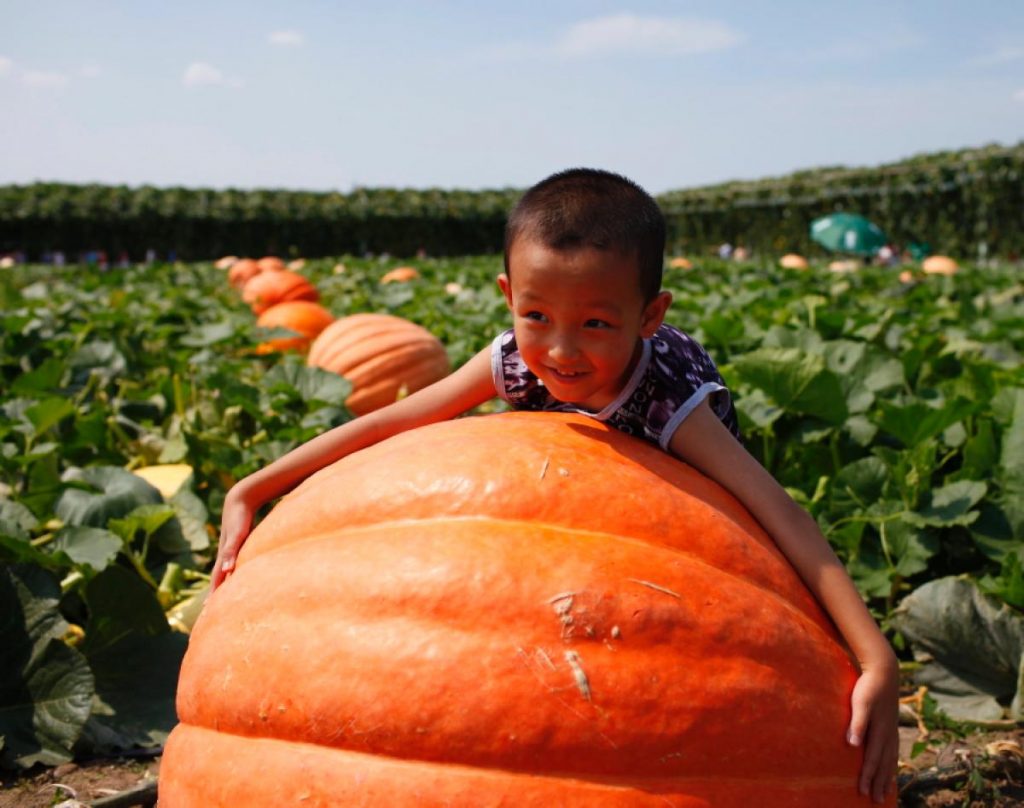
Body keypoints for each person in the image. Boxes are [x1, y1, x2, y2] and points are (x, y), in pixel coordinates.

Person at [213, 168, 898, 804]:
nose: (563, 351)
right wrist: (255, 486)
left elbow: (780, 512)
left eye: (596, 324)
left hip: (671, 510)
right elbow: (394, 419)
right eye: (537, 316)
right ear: (509, 297)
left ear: (650, 317)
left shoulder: (673, 408)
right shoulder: (516, 358)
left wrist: (876, 658)